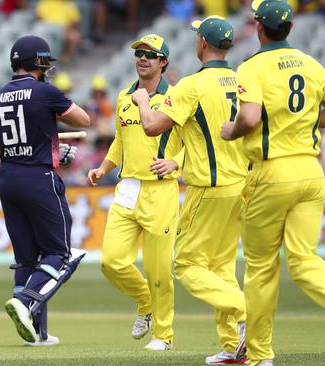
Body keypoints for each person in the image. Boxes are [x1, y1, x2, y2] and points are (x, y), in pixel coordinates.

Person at [130, 16, 250, 365]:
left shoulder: (191, 85)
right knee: (221, 267)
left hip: (209, 188)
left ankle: (246, 312)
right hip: (239, 185)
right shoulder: (241, 80)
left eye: (197, 36)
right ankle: (234, 346)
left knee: (186, 265)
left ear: (202, 44)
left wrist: (141, 101)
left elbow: (152, 126)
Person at [220, 2, 325, 365]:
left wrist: (230, 131)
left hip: (271, 171)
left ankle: (260, 355)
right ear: (291, 27)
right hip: (311, 171)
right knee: (305, 260)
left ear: (259, 28)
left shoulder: (251, 67)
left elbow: (248, 119)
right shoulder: (314, 66)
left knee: (262, 267)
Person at [0, 35, 90, 346]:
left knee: (27, 259)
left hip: (7, 177)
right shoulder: (45, 91)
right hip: (38, 176)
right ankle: (27, 301)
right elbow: (83, 119)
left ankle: (36, 332)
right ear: (39, 63)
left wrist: (53, 145)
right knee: (59, 254)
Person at [88, 34, 182, 352]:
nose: (143, 59)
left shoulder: (177, 97)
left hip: (161, 190)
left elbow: (194, 143)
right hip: (127, 186)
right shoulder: (124, 96)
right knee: (111, 262)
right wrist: (103, 167)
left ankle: (163, 335)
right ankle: (146, 303)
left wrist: (174, 162)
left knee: (158, 269)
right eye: (139, 53)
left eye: (151, 55)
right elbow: (120, 138)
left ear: (163, 62)